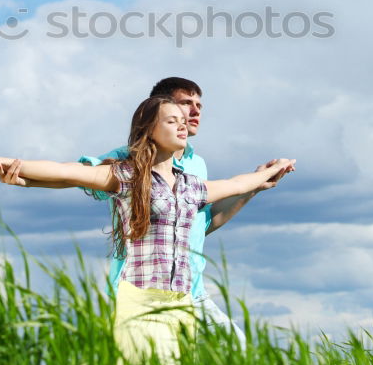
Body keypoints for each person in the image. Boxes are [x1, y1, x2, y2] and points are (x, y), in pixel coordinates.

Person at [0, 96, 295, 365]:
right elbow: (67, 172)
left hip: (180, 300)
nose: (183, 125)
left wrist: (268, 172)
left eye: (184, 120)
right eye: (172, 120)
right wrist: (6, 163)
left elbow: (237, 185)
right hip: (141, 298)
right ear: (149, 130)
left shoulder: (191, 185)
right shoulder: (128, 176)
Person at [77, 77, 280, 346]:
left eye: (199, 105)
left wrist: (253, 188)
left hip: (191, 289)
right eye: (186, 103)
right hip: (142, 289)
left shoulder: (197, 165)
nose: (195, 111)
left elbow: (203, 225)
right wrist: (26, 174)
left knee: (234, 350)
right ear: (159, 110)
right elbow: (86, 175)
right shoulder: (131, 157)